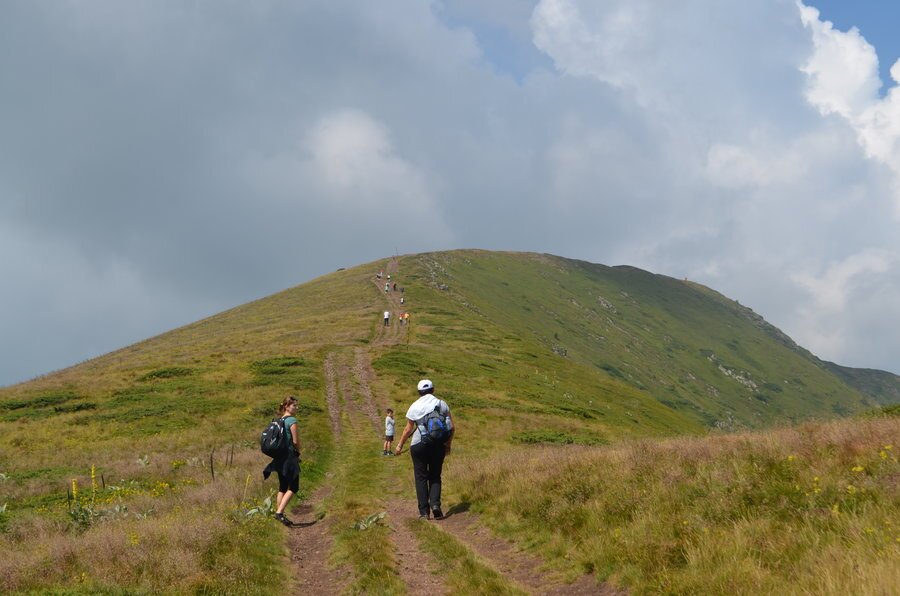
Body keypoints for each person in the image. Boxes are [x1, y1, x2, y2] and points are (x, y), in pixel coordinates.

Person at [394, 379, 454, 520]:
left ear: (419, 392)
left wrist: (399, 445)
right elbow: (452, 427)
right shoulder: (441, 404)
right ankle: (436, 506)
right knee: (435, 475)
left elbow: (408, 429)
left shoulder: (415, 406)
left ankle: (424, 512)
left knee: (421, 477)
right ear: (433, 390)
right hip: (438, 444)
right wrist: (448, 445)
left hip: (419, 444)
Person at [263, 396, 301, 526]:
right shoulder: (292, 420)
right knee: (294, 487)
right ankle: (279, 513)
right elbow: (295, 441)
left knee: (283, 487)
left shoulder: (280, 420)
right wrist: (298, 452)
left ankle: (280, 515)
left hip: (279, 457)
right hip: (289, 457)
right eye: (294, 405)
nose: (296, 408)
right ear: (286, 406)